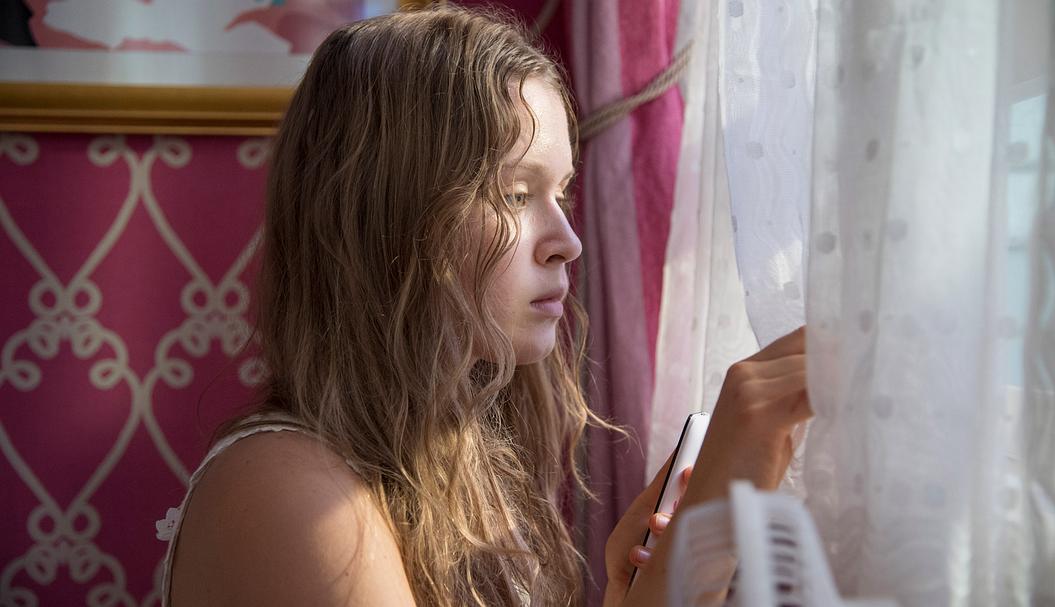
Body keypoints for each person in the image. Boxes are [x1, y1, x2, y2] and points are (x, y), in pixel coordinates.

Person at [159, 4, 811, 606]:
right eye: (515, 195)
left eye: (561, 193)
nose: (568, 242)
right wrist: (694, 553)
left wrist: (629, 593)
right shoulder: (287, 489)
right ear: (390, 216)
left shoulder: (456, 469)